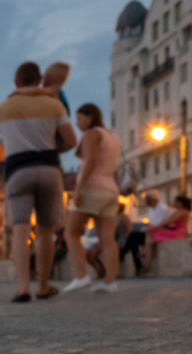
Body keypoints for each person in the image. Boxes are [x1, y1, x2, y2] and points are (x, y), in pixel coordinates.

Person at [0, 61, 77, 303]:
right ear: (39, 79)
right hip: (49, 169)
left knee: (20, 230)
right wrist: (51, 149)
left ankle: (23, 288)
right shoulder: (53, 105)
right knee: (45, 231)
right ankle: (43, 286)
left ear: (15, 82)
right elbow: (71, 141)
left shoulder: (2, 108)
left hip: (18, 172)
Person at [62, 103, 123, 294]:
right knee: (107, 238)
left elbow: (90, 161)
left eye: (80, 119)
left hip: (92, 188)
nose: (77, 123)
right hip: (110, 189)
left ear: (90, 118)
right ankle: (110, 281)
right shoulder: (111, 135)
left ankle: (81, 276)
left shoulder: (91, 134)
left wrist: (78, 190)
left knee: (71, 232)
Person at [122, 192, 170, 275]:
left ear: (153, 200)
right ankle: (138, 266)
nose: (145, 203)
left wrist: (150, 229)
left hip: (157, 232)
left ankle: (123, 256)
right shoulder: (151, 209)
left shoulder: (162, 208)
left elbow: (162, 223)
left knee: (132, 237)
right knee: (132, 240)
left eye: (147, 200)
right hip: (150, 231)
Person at [88, 203, 131, 281]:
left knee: (93, 254)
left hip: (120, 242)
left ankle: (102, 271)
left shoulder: (123, 217)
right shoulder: (111, 217)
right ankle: (101, 270)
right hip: (109, 241)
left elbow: (130, 230)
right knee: (89, 255)